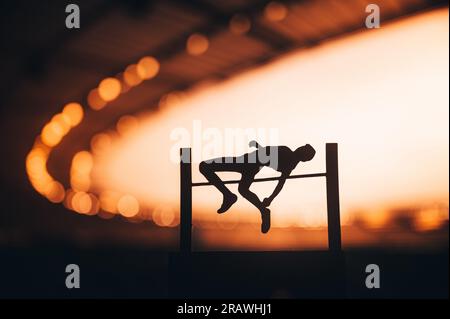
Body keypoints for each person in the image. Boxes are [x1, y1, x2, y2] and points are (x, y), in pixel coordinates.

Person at [199, 141, 316, 233]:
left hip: (246, 162)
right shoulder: (290, 163)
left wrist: (271, 198)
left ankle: (228, 195)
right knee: (243, 190)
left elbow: (279, 180)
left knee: (204, 166)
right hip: (252, 166)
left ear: (303, 156)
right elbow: (268, 156)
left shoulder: (287, 154)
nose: (300, 147)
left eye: (303, 148)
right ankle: (263, 211)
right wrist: (270, 198)